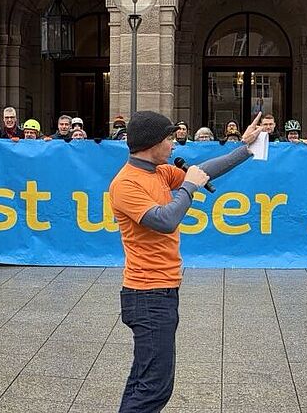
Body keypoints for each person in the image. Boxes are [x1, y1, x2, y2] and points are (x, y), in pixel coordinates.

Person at [110, 111, 265, 413]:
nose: (173, 144)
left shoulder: (158, 171)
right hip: (147, 295)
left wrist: (245, 148)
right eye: (168, 138)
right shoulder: (126, 183)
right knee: (155, 388)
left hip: (161, 292)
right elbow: (166, 220)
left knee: (144, 381)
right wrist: (188, 187)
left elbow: (204, 171)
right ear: (151, 142)